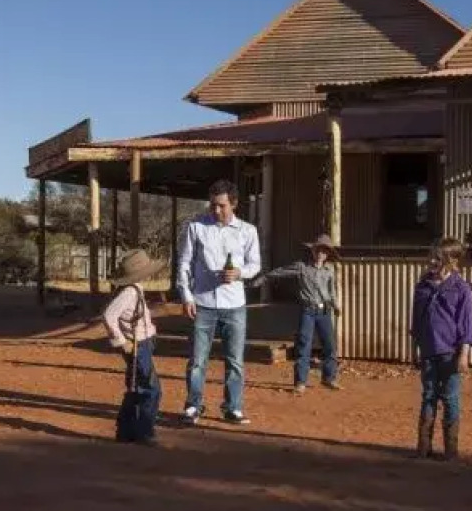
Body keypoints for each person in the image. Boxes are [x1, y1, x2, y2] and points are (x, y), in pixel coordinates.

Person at [175, 179, 261, 425]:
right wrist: (186, 296)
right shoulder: (197, 227)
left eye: (222, 205)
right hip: (202, 304)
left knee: (235, 360)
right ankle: (193, 405)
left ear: (233, 204)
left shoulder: (248, 231)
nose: (216, 210)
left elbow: (255, 265)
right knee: (197, 360)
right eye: (213, 205)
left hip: (234, 305)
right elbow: (184, 263)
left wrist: (239, 273)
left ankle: (233, 407)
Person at [410, 237, 472, 461]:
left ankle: (451, 450)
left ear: (452, 261)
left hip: (451, 354)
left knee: (450, 398)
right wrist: (415, 348)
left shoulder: (462, 289)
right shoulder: (423, 286)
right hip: (428, 351)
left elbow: (467, 325)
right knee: (428, 395)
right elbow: (417, 322)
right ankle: (423, 446)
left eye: (438, 258)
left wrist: (464, 354)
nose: (432, 261)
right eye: (431, 256)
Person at [100, 249, 168, 445]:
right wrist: (122, 341)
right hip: (138, 345)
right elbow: (108, 315)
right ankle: (144, 431)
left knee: (135, 387)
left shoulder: (134, 288)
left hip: (142, 342)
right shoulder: (130, 291)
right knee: (151, 388)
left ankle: (126, 430)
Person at [262, 233, 342, 394]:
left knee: (330, 345)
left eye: (325, 251)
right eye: (318, 250)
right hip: (308, 311)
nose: (321, 254)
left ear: (328, 254)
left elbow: (331, 290)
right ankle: (300, 382)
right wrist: (263, 278)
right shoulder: (302, 267)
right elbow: (281, 272)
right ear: (313, 251)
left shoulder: (330, 269)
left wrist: (336, 305)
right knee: (304, 344)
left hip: (324, 311)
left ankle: (329, 378)